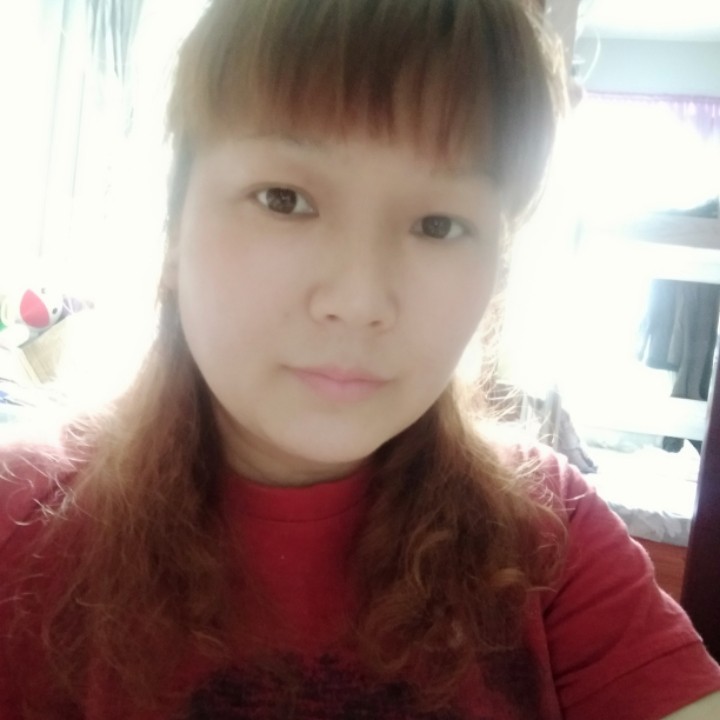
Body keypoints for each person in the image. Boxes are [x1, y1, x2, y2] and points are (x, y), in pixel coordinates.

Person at [1, 1, 719, 718]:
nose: (359, 300)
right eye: (284, 199)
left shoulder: (549, 536)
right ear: (172, 232)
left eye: (438, 224)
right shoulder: (19, 522)